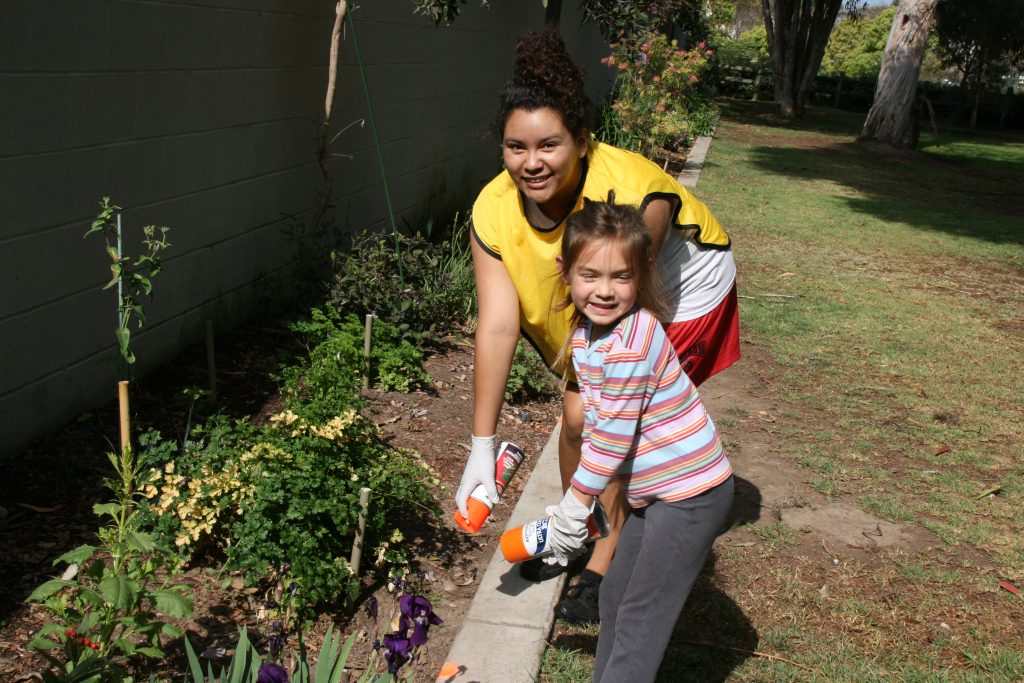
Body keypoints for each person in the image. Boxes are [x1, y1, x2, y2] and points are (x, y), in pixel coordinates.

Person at [455, 28, 739, 625]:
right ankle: (576, 532)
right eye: (515, 147)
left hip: (677, 292)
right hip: (600, 303)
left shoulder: (634, 192)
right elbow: (498, 327)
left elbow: (624, 306)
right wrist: (480, 449)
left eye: (549, 145)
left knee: (607, 424)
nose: (531, 163)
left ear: (582, 142)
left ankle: (600, 566)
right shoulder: (491, 208)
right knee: (578, 422)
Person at [543, 194, 734, 682]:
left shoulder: (634, 340)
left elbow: (611, 441)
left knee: (640, 616)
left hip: (692, 494)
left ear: (641, 275)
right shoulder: (589, 335)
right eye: (591, 275)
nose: (605, 291)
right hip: (656, 491)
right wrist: (583, 505)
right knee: (615, 593)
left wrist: (574, 505)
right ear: (566, 272)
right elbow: (603, 428)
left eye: (620, 277)